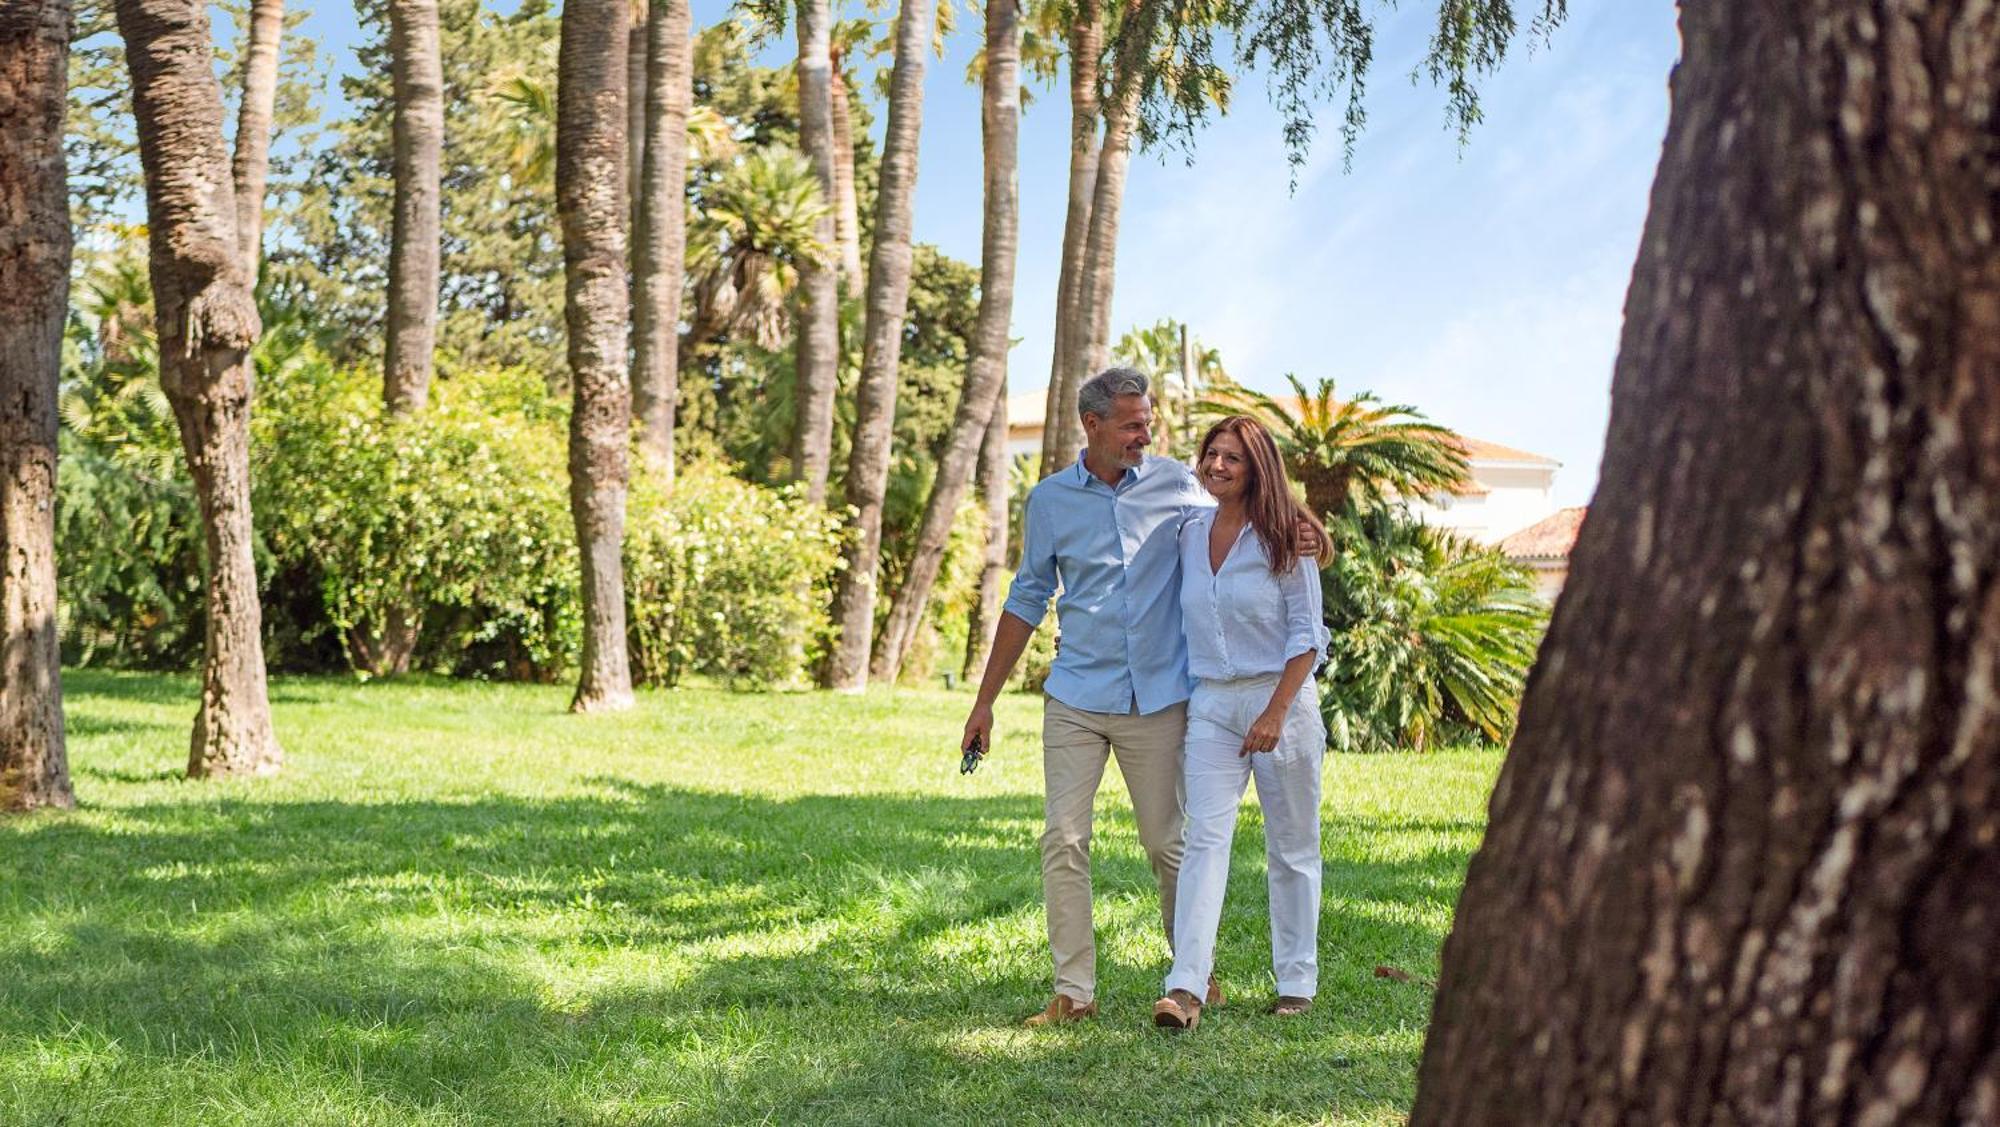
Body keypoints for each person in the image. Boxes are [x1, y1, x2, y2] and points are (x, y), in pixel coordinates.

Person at [960, 367, 1218, 1027]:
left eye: (1147, 421)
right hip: (1076, 694)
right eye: (1132, 423)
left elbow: (1234, 533)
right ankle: (1074, 993)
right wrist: (984, 701)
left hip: (1157, 697)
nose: (1145, 433)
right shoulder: (1049, 500)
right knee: (1064, 838)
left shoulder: (1176, 486)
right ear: (1093, 425)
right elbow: (1026, 596)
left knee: (1167, 843)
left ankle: (1193, 972)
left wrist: (1298, 534)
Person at [1151, 415, 1331, 1031]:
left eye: (1234, 458)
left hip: (1280, 698)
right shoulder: (1190, 529)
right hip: (1212, 703)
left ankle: (1297, 982)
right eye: (1212, 454)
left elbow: (1309, 635)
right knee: (1203, 839)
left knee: (1292, 846)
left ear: (1258, 469)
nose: (1218, 466)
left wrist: (1276, 712)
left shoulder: (1286, 536)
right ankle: (1187, 986)